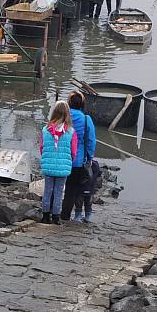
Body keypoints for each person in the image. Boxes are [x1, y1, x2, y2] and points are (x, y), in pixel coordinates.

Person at [40, 101, 78, 225]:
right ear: (67, 114)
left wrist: (47, 159)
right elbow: (73, 152)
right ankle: (56, 217)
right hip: (63, 167)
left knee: (47, 191)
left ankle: (45, 216)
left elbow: (42, 148)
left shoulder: (45, 130)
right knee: (58, 192)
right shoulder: (71, 132)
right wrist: (68, 161)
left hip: (48, 166)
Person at [61, 91, 97, 223]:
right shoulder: (86, 119)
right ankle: (72, 216)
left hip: (63, 159)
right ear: (82, 104)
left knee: (62, 188)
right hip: (78, 161)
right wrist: (90, 157)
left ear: (69, 103)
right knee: (75, 189)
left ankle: (61, 215)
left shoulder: (63, 117)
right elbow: (91, 142)